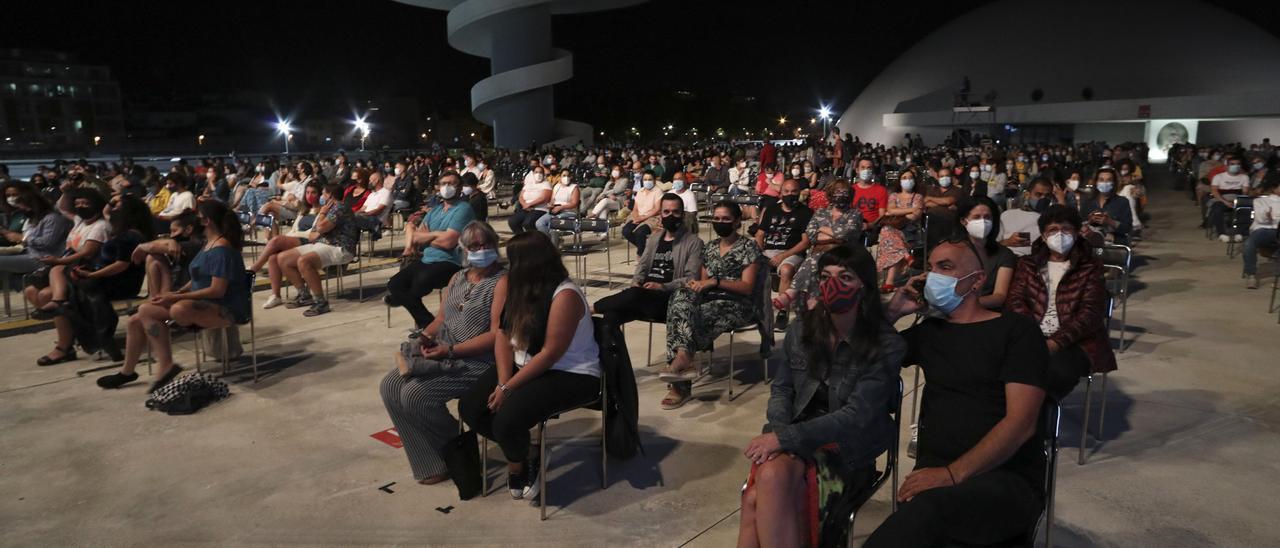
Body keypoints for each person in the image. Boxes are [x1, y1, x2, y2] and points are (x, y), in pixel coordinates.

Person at [866, 237, 1049, 547]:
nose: (930, 276)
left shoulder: (1018, 331)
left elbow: (1021, 423)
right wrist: (894, 311)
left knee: (925, 515)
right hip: (936, 476)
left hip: (1006, 477)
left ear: (977, 281)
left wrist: (951, 474)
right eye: (931, 267)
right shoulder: (930, 332)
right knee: (927, 518)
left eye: (945, 267)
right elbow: (863, 358)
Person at [738, 245, 906, 547]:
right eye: (826, 276)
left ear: (864, 286)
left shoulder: (885, 344)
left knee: (756, 497)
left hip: (849, 447)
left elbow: (856, 417)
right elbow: (782, 389)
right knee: (770, 481)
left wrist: (783, 439)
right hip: (796, 434)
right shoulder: (802, 329)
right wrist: (780, 433)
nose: (833, 285)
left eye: (845, 277)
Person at [458, 231, 602, 501]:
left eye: (514, 261)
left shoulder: (565, 294)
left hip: (570, 373)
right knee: (471, 407)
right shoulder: (519, 287)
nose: (509, 267)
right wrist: (502, 381)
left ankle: (518, 464)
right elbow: (502, 334)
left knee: (506, 420)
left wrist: (508, 388)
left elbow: (549, 354)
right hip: (527, 365)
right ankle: (527, 452)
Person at [380, 222, 505, 485]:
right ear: (465, 250)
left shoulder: (502, 282)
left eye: (486, 244)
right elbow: (441, 318)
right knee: (390, 386)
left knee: (415, 395)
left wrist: (450, 350)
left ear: (495, 245)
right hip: (445, 351)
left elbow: (496, 336)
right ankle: (431, 460)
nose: (481, 250)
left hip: (477, 360)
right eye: (474, 246)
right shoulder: (457, 278)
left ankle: (458, 449)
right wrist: (426, 336)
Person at [96, 200, 250, 391]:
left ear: (207, 221)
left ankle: (165, 362)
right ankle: (131, 371)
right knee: (139, 316)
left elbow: (217, 290)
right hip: (204, 303)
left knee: (175, 308)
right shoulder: (209, 244)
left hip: (227, 308)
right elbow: (197, 278)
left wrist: (176, 298)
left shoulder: (222, 249)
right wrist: (177, 292)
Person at [656, 201, 761, 410]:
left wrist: (716, 282)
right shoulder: (711, 247)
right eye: (717, 219)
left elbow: (747, 287)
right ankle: (684, 358)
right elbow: (702, 284)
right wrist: (695, 286)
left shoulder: (749, 247)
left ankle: (679, 385)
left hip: (737, 304)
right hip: (711, 299)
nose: (720, 223)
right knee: (680, 304)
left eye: (726, 219)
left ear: (737, 221)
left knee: (686, 320)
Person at [1005, 205, 1116, 400]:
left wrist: (1054, 343)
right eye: (1053, 230)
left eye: (1066, 229)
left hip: (1075, 342)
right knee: (1000, 370)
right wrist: (1032, 337)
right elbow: (1015, 301)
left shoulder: (1090, 267)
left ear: (1076, 233)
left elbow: (1090, 314)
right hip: (1031, 337)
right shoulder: (1028, 264)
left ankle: (1036, 423)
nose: (1060, 235)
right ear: (1043, 235)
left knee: (1050, 376)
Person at [25, 188, 111, 366]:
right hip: (66, 268)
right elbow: (62, 206)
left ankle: (64, 345)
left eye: (85, 203)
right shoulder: (80, 221)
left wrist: (58, 260)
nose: (80, 207)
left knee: (46, 294)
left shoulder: (101, 226)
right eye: (78, 203)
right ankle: (69, 330)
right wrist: (69, 188)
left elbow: (87, 253)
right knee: (31, 291)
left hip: (85, 270)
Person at [593, 194, 703, 331]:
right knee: (610, 316)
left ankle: (591, 308)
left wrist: (662, 286)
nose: (671, 216)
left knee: (633, 295)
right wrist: (637, 282)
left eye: (675, 212)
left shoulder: (694, 243)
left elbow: (691, 279)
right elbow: (642, 266)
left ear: (682, 214)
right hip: (643, 295)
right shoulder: (653, 239)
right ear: (660, 214)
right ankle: (613, 352)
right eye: (666, 212)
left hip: (668, 297)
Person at [387, 173, 475, 330]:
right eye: (443, 183)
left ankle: (426, 327)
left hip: (451, 262)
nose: (446, 187)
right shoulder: (435, 210)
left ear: (459, 187)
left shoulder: (464, 209)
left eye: (451, 183)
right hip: (426, 259)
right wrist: (437, 235)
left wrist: (428, 236)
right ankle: (428, 324)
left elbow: (449, 243)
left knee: (417, 285)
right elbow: (416, 237)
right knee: (395, 284)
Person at [773, 180, 863, 311]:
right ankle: (809, 302)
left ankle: (792, 293)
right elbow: (811, 234)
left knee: (816, 259)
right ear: (831, 195)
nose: (841, 195)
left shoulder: (855, 214)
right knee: (815, 259)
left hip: (843, 252)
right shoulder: (821, 212)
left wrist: (823, 230)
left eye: (845, 192)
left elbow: (845, 234)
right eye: (838, 192)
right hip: (819, 250)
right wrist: (833, 235)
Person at [274, 183, 358, 317]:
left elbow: (320, 228)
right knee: (282, 258)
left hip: (340, 248)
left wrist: (323, 213)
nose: (321, 197)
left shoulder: (340, 207)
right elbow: (313, 233)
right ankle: (304, 294)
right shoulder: (329, 209)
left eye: (323, 194)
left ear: (330, 196)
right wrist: (322, 219)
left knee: (304, 261)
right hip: (322, 244)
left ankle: (321, 302)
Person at [754, 179, 811, 329]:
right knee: (750, 267)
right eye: (786, 191)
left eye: (794, 192)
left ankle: (782, 310)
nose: (790, 194)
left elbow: (805, 242)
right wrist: (760, 254)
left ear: (799, 193)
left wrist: (782, 256)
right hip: (768, 250)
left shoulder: (805, 212)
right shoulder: (771, 209)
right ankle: (754, 307)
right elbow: (760, 235)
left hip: (791, 251)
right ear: (781, 193)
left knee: (786, 269)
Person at [256, 181, 323, 308]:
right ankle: (278, 295)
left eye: (313, 192)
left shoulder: (322, 211)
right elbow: (294, 229)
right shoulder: (304, 209)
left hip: (309, 240)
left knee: (276, 241)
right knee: (273, 256)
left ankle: (256, 267)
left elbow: (313, 232)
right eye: (307, 192)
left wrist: (292, 236)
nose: (310, 195)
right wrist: (290, 236)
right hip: (296, 238)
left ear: (319, 194)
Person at [0, 183, 71, 280]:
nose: (24, 210)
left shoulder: (52, 218)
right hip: (30, 252)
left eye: (25, 207)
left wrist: (23, 238)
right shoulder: (32, 219)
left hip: (43, 258)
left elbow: (47, 243)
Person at [958, 196, 1017, 310]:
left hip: (984, 311)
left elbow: (999, 297)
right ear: (963, 221)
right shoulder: (951, 250)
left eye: (987, 217)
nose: (983, 222)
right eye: (976, 217)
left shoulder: (1004, 255)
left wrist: (963, 305)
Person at [877, 169, 924, 293]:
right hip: (894, 231)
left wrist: (898, 213)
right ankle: (906, 255)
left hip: (910, 231)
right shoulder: (893, 195)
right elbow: (891, 210)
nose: (907, 180)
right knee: (888, 232)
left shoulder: (918, 197)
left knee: (887, 233)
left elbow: (915, 216)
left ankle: (889, 282)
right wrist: (910, 209)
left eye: (910, 177)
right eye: (904, 177)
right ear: (899, 180)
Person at [999, 177, 1053, 257]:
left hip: (1032, 262)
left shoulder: (1052, 219)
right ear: (1027, 195)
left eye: (1047, 196)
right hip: (1007, 258)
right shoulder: (1007, 215)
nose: (1043, 198)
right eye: (1038, 194)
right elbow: (992, 245)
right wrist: (1008, 241)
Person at [1080, 167, 1133, 246]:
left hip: (1115, 244)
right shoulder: (1087, 202)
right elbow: (1079, 225)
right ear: (1096, 182)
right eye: (1101, 180)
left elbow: (1127, 228)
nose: (1104, 182)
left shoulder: (1122, 202)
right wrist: (1089, 221)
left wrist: (1110, 222)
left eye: (1108, 180)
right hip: (1092, 244)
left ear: (1114, 183)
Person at [1243, 178, 1280, 289]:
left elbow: (1272, 218)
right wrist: (1272, 218)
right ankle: (1251, 275)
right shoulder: (1260, 201)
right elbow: (1260, 219)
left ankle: (1278, 277)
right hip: (1264, 230)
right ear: (1274, 188)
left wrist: (1272, 217)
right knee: (1249, 244)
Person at [1208, 155, 1250, 242]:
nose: (1236, 166)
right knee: (1217, 209)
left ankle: (1240, 233)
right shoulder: (1218, 177)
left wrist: (1237, 201)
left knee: (1246, 209)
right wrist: (1225, 202)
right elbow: (1214, 191)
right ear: (1227, 166)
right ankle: (1221, 233)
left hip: (1237, 199)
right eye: (1232, 164)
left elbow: (1245, 192)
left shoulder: (1244, 177)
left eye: (1238, 164)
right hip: (1221, 199)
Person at [622, 170, 663, 256]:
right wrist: (636, 217)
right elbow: (635, 208)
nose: (647, 181)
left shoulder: (658, 191)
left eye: (649, 179)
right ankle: (646, 250)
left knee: (640, 233)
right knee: (626, 231)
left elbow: (657, 209)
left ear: (654, 180)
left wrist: (643, 218)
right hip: (638, 216)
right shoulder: (640, 191)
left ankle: (641, 254)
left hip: (652, 217)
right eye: (645, 179)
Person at [534, 168, 581, 235]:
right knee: (539, 223)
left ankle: (552, 242)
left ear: (571, 177)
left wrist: (560, 207)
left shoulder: (574, 187)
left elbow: (574, 203)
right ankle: (548, 240)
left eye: (568, 176)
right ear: (560, 177)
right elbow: (552, 200)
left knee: (553, 224)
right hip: (555, 211)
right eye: (564, 176)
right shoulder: (557, 186)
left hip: (569, 212)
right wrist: (550, 205)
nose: (566, 177)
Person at [507, 166, 551, 234]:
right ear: (533, 174)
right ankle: (522, 238)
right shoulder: (528, 184)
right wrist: (524, 204)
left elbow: (544, 198)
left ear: (543, 174)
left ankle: (535, 239)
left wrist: (529, 204)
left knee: (528, 223)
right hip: (526, 208)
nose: (538, 174)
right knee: (512, 221)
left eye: (540, 172)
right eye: (536, 172)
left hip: (540, 209)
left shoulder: (546, 184)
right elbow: (521, 196)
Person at [851, 158, 888, 230]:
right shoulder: (851, 190)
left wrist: (869, 225)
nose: (866, 170)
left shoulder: (881, 190)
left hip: (873, 229)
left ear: (872, 171)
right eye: (863, 167)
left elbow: (882, 216)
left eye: (869, 168)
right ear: (857, 170)